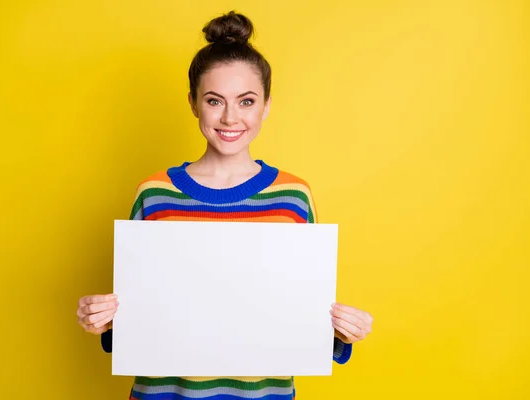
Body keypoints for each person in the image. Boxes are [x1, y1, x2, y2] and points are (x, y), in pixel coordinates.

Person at [76, 10, 373, 400]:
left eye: (246, 101)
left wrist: (340, 331)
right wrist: (104, 321)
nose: (230, 117)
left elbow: (299, 313)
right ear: (193, 104)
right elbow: (140, 318)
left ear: (266, 105)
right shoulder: (155, 193)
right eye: (214, 100)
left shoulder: (293, 197)